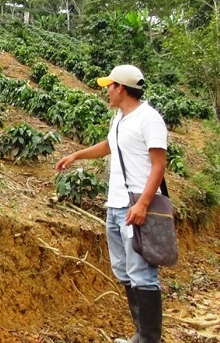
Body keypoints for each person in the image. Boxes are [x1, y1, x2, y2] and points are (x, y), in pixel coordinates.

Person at [55, 64, 167, 343]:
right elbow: (109, 145)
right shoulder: (119, 118)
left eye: (109, 86)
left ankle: (149, 339)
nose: (105, 91)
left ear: (121, 88)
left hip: (136, 206)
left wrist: (142, 205)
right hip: (115, 206)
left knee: (142, 273)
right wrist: (76, 155)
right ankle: (140, 335)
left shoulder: (148, 119)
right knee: (124, 271)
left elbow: (158, 166)